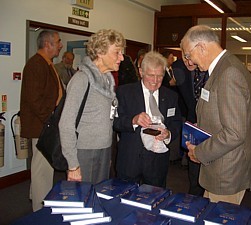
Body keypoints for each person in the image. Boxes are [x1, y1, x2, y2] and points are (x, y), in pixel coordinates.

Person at [181, 25, 251, 205]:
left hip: (227, 173)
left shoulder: (229, 72)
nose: (189, 61)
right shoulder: (222, 68)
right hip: (220, 166)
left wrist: (199, 152)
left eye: (188, 54)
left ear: (201, 47)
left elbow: (234, 133)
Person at [59, 29, 125, 184]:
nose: (121, 58)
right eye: (117, 52)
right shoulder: (81, 79)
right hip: (84, 152)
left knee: (97, 197)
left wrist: (107, 155)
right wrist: (73, 165)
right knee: (83, 201)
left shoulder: (107, 81)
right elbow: (65, 124)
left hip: (104, 150)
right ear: (101, 52)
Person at [113, 51, 182, 188]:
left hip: (158, 162)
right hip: (130, 159)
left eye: (160, 76)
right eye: (151, 75)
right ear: (141, 72)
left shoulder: (171, 96)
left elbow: (176, 122)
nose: (155, 81)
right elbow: (115, 122)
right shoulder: (124, 92)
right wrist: (133, 120)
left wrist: (168, 134)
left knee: (154, 202)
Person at [20, 30, 63, 211]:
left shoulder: (46, 63)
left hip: (46, 124)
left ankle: (35, 197)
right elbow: (34, 99)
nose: (60, 45)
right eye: (58, 42)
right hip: (42, 126)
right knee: (42, 170)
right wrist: (50, 121)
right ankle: (40, 210)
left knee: (43, 167)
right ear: (48, 44)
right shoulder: (35, 64)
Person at [172, 57, 208, 196]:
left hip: (212, 125)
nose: (189, 62)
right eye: (185, 55)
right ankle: (194, 198)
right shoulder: (179, 67)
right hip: (193, 122)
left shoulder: (211, 69)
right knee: (194, 167)